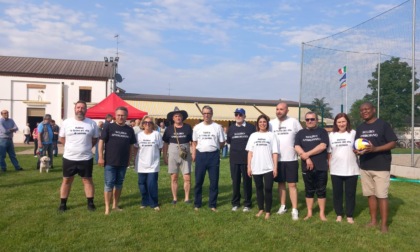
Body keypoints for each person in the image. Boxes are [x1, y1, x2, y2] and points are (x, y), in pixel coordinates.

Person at [355, 102, 397, 233]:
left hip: (381, 166)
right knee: (370, 195)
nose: (364, 112)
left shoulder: (383, 125)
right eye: (362, 110)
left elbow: (393, 143)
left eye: (367, 109)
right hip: (365, 166)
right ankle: (373, 221)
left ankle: (384, 225)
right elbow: (357, 145)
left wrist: (375, 149)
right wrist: (357, 151)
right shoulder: (360, 127)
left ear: (373, 110)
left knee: (381, 196)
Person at [58, 100, 99, 212]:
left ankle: (90, 203)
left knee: (87, 180)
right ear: (75, 109)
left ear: (86, 109)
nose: (80, 109)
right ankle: (63, 204)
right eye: (78, 107)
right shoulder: (66, 122)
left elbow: (95, 138)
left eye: (82, 108)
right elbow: (61, 138)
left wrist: (86, 147)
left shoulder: (92, 123)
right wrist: (70, 147)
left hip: (86, 158)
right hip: (69, 157)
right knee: (66, 180)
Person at [98, 107, 137, 215]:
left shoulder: (130, 130)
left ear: (126, 116)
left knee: (119, 184)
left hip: (123, 162)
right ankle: (107, 208)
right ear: (115, 116)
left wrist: (130, 159)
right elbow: (101, 142)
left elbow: (131, 146)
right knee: (109, 184)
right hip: (110, 161)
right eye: (119, 115)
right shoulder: (108, 127)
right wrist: (100, 157)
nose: (121, 117)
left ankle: (115, 205)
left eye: (123, 115)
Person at [269, 102, 302, 220]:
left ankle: (294, 209)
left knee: (292, 184)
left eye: (281, 109)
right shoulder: (271, 123)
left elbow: (301, 136)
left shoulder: (294, 122)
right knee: (281, 184)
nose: (279, 111)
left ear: (287, 110)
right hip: (277, 159)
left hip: (291, 159)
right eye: (277, 109)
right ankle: (283, 206)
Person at [294, 111, 329, 221]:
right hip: (306, 166)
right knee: (309, 190)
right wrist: (307, 158)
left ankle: (322, 214)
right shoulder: (300, 133)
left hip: (321, 166)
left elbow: (322, 146)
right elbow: (296, 146)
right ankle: (309, 213)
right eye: (307, 119)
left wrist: (307, 154)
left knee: (321, 190)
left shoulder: (322, 132)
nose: (309, 121)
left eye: (312, 119)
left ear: (317, 120)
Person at [328, 113, 360, 224]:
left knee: (350, 194)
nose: (341, 124)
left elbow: (359, 148)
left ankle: (349, 215)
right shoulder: (331, 135)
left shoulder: (353, 133)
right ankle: (339, 214)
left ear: (347, 122)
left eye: (343, 121)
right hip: (336, 169)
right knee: (337, 193)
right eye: (339, 122)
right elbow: (329, 152)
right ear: (336, 123)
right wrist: (329, 165)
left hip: (351, 169)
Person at [192, 105, 225, 212]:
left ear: (212, 114)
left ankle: (212, 204)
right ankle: (197, 203)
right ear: (202, 114)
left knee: (214, 182)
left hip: (213, 156)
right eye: (204, 113)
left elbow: (222, 142)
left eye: (208, 113)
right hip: (201, 155)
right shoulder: (197, 127)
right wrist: (194, 154)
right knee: (198, 181)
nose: (206, 115)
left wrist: (215, 149)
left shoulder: (217, 127)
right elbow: (194, 142)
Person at [246, 114, 279, 220]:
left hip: (269, 167)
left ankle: (268, 211)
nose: (262, 124)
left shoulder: (271, 135)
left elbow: (275, 153)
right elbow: (250, 153)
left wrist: (275, 167)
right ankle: (261, 209)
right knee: (259, 188)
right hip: (256, 167)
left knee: (268, 188)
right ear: (257, 124)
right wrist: (249, 167)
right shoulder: (253, 136)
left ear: (267, 123)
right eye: (260, 122)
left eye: (264, 122)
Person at [227, 108, 255, 212]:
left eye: (240, 114)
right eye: (236, 114)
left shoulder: (251, 128)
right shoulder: (231, 128)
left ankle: (247, 204)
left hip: (247, 160)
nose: (238, 116)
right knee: (235, 182)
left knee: (247, 182)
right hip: (234, 159)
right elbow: (229, 141)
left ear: (244, 116)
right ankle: (235, 203)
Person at [163, 107, 193, 204]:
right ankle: (175, 198)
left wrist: (194, 153)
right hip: (172, 154)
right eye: (176, 116)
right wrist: (164, 156)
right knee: (174, 177)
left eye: (179, 116)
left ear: (182, 117)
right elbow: (165, 144)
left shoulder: (188, 127)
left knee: (187, 177)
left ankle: (187, 198)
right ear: (173, 118)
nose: (178, 117)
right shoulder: (169, 129)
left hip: (185, 154)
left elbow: (192, 142)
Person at [135, 116, 163, 211]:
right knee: (142, 184)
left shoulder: (156, 134)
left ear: (153, 124)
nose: (147, 124)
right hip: (141, 163)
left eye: (150, 122)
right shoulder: (138, 135)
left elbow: (160, 148)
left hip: (153, 164)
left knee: (152, 184)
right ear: (142, 124)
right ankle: (144, 201)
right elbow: (136, 148)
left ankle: (154, 203)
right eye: (145, 122)